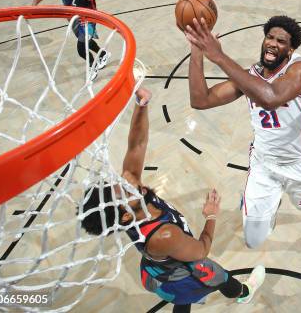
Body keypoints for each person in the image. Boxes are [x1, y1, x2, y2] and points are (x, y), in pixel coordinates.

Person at [79, 87, 266, 313]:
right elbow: (201, 250)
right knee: (218, 276)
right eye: (124, 191)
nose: (126, 181)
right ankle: (243, 293)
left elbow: (137, 144)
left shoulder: (131, 202)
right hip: (175, 277)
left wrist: (141, 105)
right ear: (126, 214)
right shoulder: (163, 235)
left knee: (183, 302)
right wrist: (212, 215)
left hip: (157, 267)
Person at [185, 15, 301, 249]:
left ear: (290, 50)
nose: (273, 43)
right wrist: (197, 52)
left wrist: (217, 55)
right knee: (253, 240)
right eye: (269, 37)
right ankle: (268, 202)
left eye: (281, 41)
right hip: (263, 162)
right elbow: (200, 100)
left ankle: (276, 199)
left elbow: (271, 99)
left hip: (298, 162)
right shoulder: (249, 77)